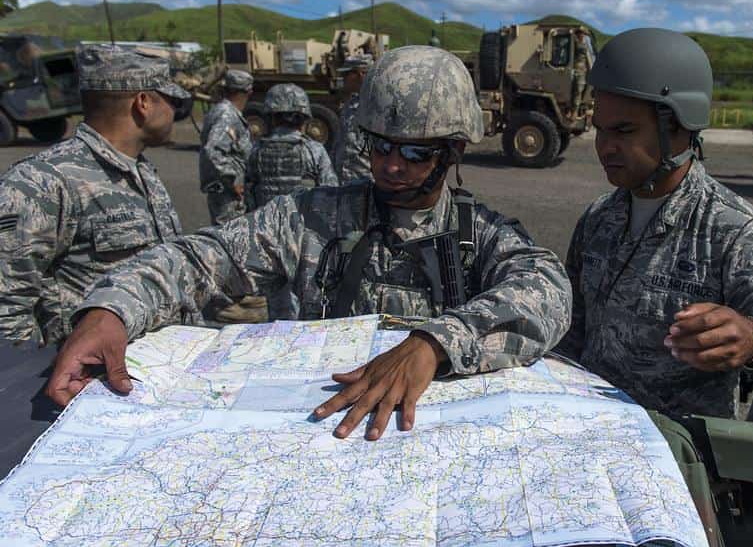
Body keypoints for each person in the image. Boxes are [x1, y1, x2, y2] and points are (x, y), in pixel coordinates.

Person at [46, 46, 572, 443]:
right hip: (324, 439)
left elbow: (547, 290)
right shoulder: (309, 217)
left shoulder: (477, 232)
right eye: (378, 145)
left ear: (453, 150)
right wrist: (111, 310)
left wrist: (434, 343)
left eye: (413, 151)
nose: (390, 164)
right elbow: (198, 259)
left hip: (429, 445)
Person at [556, 28, 753, 423]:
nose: (604, 147)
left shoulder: (736, 234)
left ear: (678, 126)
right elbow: (573, 338)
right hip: (592, 440)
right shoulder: (598, 219)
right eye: (601, 129)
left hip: (678, 463)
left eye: (624, 131)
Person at [0, 44, 193, 347]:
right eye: (170, 100)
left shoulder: (141, 171)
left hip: (156, 368)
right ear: (143, 102)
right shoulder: (40, 183)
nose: (174, 112)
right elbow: (8, 309)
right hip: (91, 383)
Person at [245, 83, 338, 212]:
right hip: (303, 227)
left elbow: (248, 193)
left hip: (264, 227)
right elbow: (330, 193)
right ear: (304, 117)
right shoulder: (315, 150)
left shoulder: (255, 150)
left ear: (272, 117)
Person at [199, 69, 254, 225]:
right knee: (230, 239)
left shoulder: (220, 110)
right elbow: (213, 150)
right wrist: (234, 180)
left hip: (224, 191)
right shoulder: (227, 115)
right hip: (228, 194)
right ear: (249, 92)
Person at [331, 55, 373, 185]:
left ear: (361, 73)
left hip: (366, 181)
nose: (343, 79)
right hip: (344, 181)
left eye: (346, 74)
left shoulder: (377, 104)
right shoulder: (351, 103)